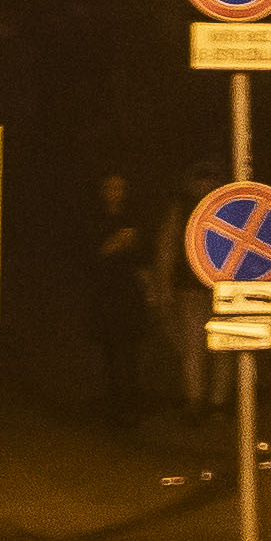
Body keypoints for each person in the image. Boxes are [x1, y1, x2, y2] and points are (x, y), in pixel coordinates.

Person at [83, 177, 157, 422]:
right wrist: (115, 243)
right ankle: (113, 400)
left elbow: (144, 255)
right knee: (109, 348)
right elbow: (91, 254)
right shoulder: (94, 219)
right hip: (103, 294)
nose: (116, 192)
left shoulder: (134, 217)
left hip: (129, 293)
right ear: (103, 191)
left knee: (131, 348)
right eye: (111, 187)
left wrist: (149, 289)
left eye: (121, 187)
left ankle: (133, 399)